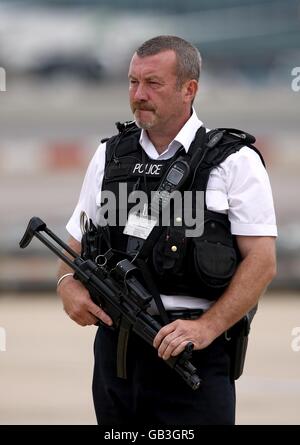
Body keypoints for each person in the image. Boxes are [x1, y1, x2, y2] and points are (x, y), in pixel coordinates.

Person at [57, 35, 277, 425]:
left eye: (152, 83)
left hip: (193, 354)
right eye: (132, 82)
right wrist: (67, 287)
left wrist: (208, 327)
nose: (138, 94)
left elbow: (262, 261)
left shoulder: (233, 161)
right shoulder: (109, 155)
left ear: (188, 89)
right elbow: (74, 248)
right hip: (117, 356)